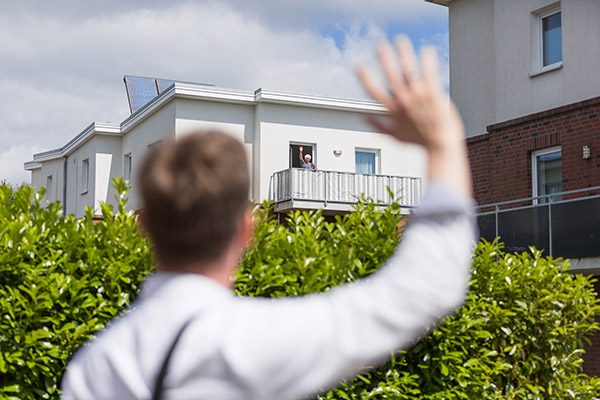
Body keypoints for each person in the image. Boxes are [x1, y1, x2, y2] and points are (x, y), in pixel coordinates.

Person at [61, 36, 476, 400]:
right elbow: (424, 287)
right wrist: (442, 143)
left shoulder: (95, 367)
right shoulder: (254, 342)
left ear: (144, 225)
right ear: (247, 228)